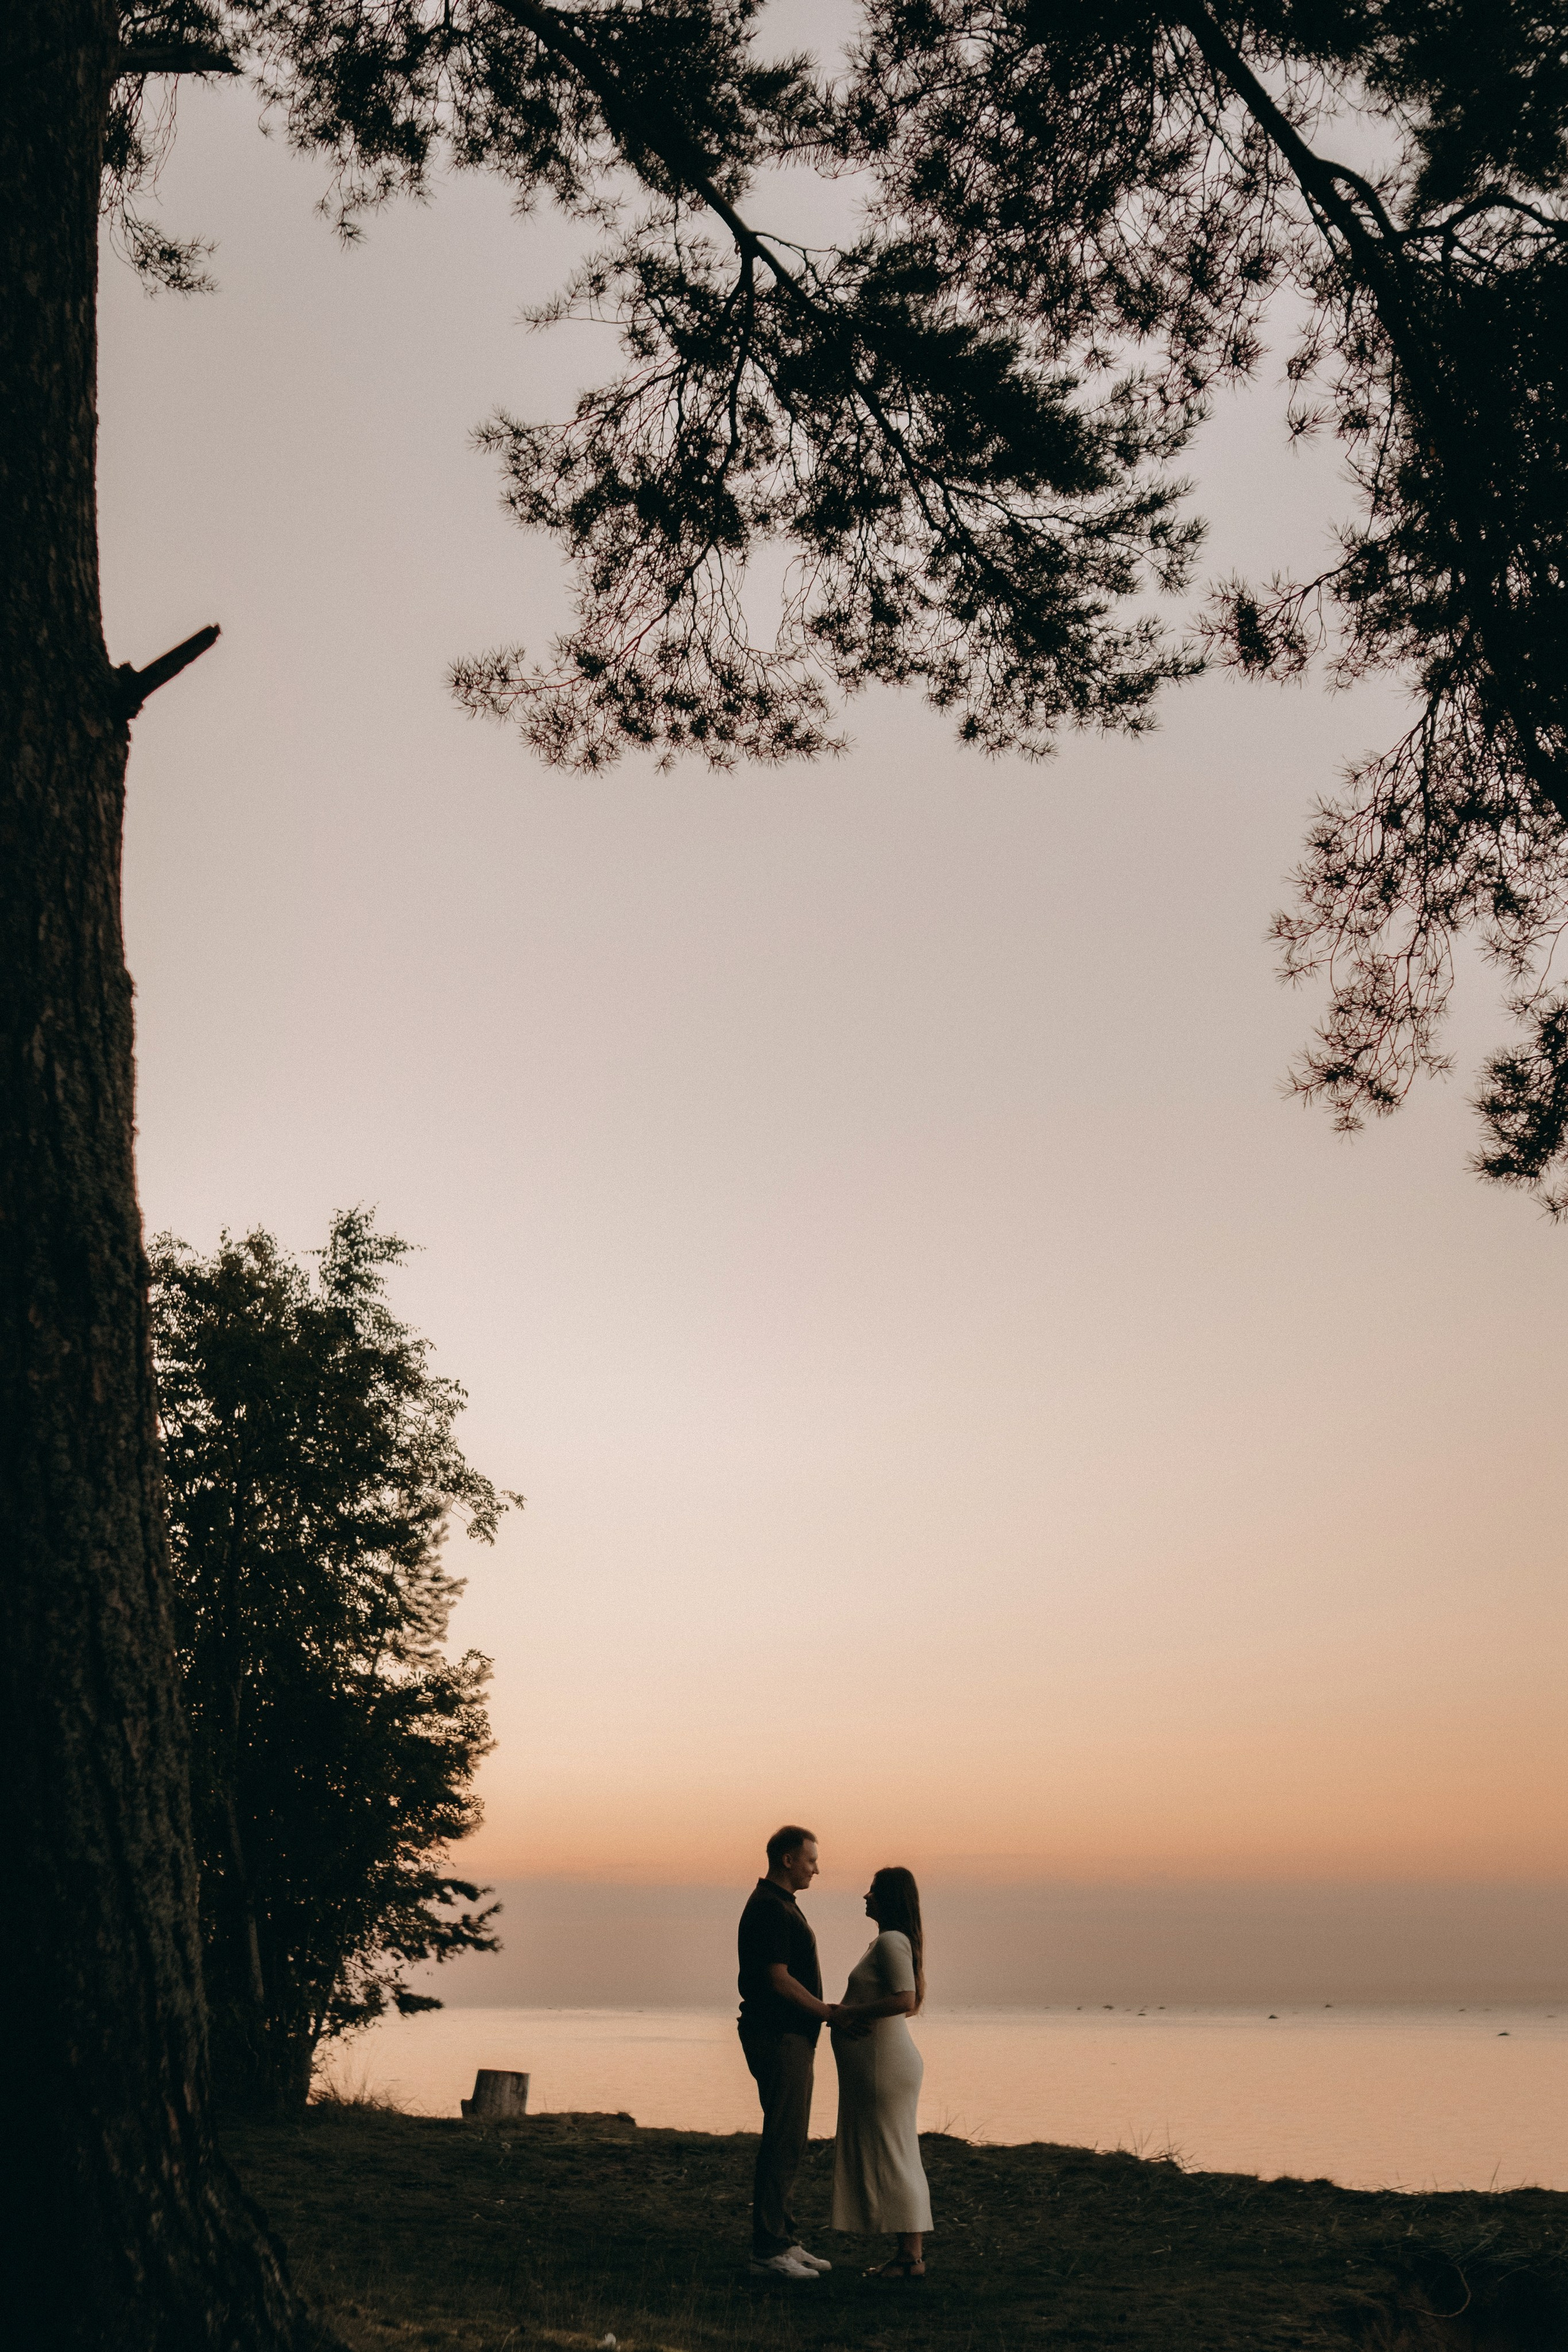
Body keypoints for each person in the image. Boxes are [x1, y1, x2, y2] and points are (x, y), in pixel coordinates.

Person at [736, 1826, 839, 2280]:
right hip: (779, 2036)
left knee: (791, 2138)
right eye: (811, 1858)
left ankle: (785, 2238)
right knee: (782, 2139)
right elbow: (777, 1978)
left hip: (789, 2037)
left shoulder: (780, 1907)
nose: (817, 1867)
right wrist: (826, 2011)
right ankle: (768, 2249)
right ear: (787, 1859)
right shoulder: (770, 1909)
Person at [829, 1865, 933, 2279]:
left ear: (889, 1898)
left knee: (896, 2154)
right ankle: (908, 2255)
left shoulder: (891, 1941)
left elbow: (904, 1999)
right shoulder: (887, 1942)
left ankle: (910, 2256)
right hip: (878, 2065)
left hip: (883, 2067)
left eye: (873, 1891)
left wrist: (849, 2013)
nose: (866, 1897)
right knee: (896, 2153)